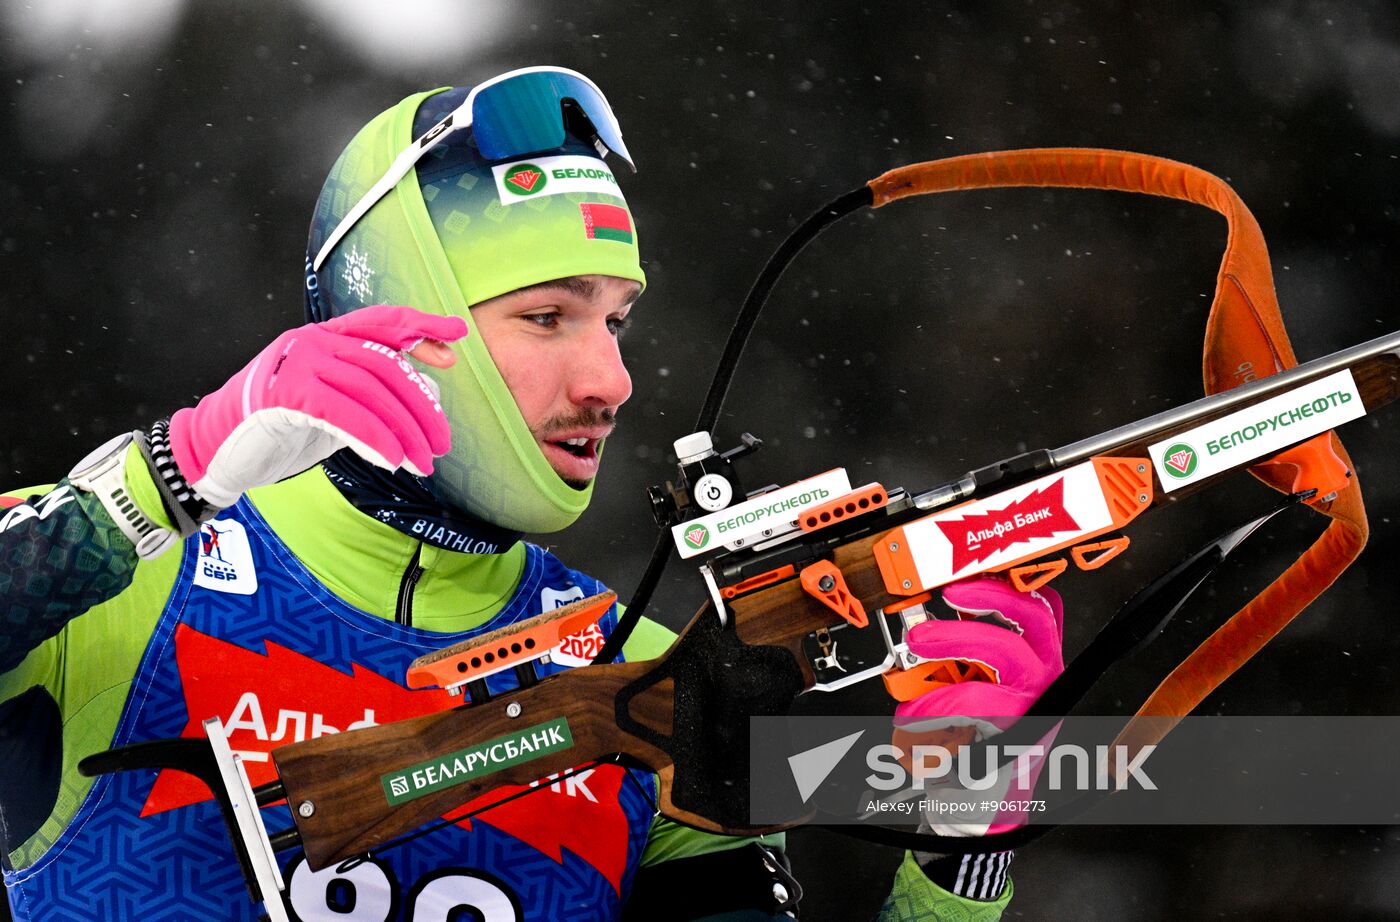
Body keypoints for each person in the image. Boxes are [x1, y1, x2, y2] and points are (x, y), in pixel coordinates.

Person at [0, 67, 1052, 920]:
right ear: (396, 316)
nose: (610, 381)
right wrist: (172, 470)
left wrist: (958, 845)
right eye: (548, 317)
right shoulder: (116, 575)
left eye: (618, 320)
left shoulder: (646, 676)